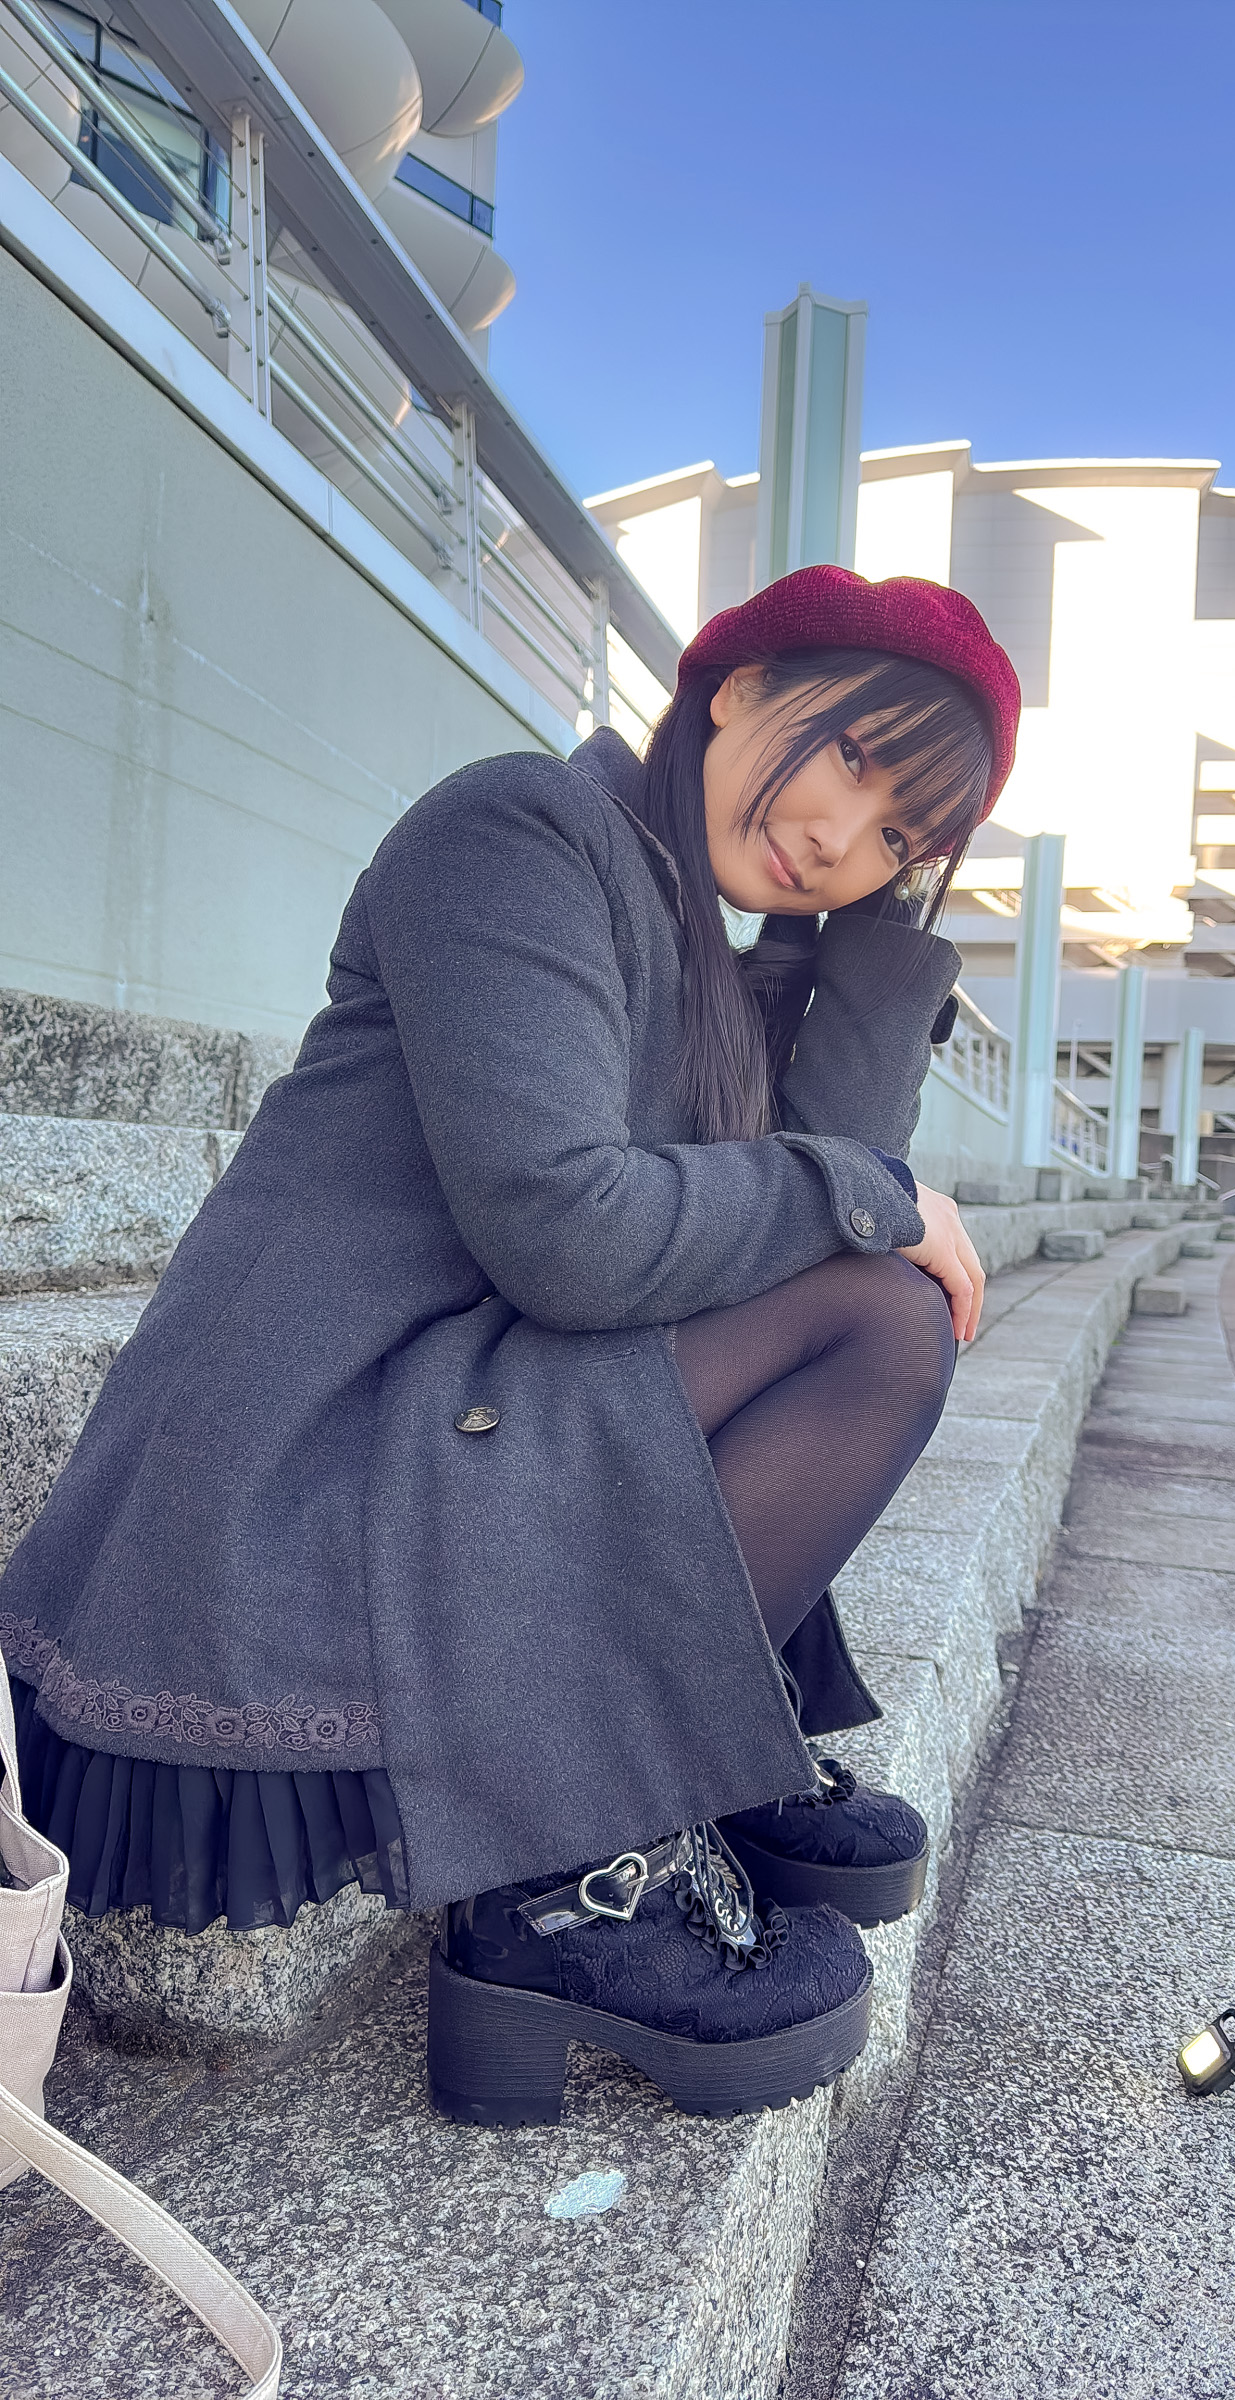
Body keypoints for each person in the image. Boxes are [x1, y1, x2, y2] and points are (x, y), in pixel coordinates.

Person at [0, 566, 1019, 2126]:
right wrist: (870, 1193)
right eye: (853, 758)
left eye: (898, 838)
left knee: (861, 1284)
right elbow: (571, 1231)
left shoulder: (700, 946)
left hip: (445, 1416)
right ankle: (566, 1878)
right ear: (741, 686)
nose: (839, 839)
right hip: (288, 1485)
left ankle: (677, 1760)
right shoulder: (519, 830)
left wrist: (875, 962)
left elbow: (788, 1213)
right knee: (880, 1316)